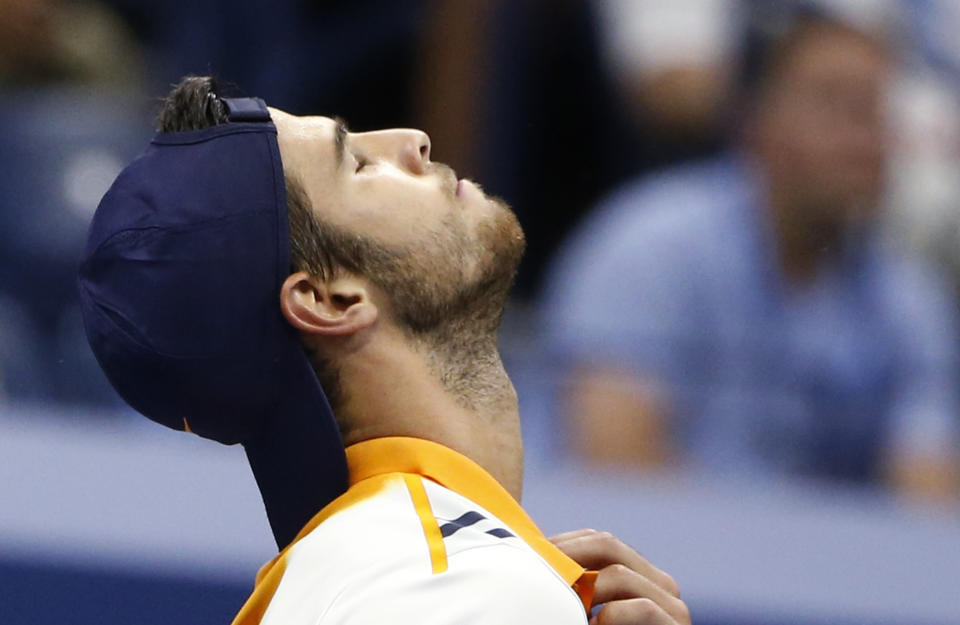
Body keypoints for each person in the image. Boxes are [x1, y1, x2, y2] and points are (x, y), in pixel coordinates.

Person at [78, 76, 690, 624]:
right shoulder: (459, 583)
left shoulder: (372, 575)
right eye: (359, 166)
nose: (414, 141)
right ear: (328, 300)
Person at [542, 7, 960, 498]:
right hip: (629, 564)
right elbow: (613, 471)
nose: (863, 139)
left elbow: (929, 508)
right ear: (754, 122)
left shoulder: (909, 297)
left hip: (815, 570)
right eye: (835, 104)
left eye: (875, 111)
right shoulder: (648, 244)